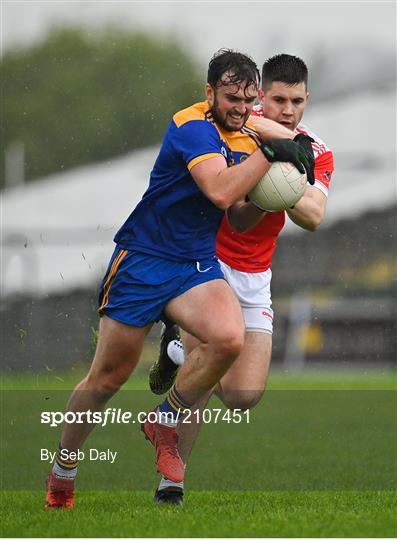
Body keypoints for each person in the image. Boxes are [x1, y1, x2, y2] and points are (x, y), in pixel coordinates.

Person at [45, 49, 315, 509]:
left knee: (230, 339)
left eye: (248, 100)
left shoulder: (248, 135)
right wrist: (273, 152)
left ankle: (164, 418)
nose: (240, 108)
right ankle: (63, 469)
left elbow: (239, 215)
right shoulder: (191, 125)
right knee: (108, 377)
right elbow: (219, 188)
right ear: (208, 93)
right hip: (144, 261)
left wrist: (277, 191)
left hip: (196, 263)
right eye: (231, 97)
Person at [148, 53, 334, 505]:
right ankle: (171, 485)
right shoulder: (235, 123)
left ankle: (174, 348)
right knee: (206, 374)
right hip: (206, 261)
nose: (287, 109)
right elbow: (231, 208)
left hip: (255, 274)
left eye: (296, 101)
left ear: (307, 99)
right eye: (277, 99)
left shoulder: (317, 150)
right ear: (260, 96)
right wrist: (270, 156)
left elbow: (312, 215)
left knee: (244, 396)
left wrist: (284, 177)